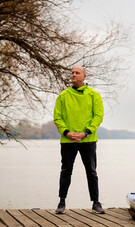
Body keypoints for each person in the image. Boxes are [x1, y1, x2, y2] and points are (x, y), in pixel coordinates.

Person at [53, 66, 105, 214]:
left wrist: (85, 133)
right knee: (66, 171)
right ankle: (61, 202)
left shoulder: (93, 95)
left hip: (88, 140)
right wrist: (67, 133)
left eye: (77, 73)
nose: (73, 75)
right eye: (72, 73)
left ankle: (96, 202)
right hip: (68, 140)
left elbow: (98, 117)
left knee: (91, 172)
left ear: (84, 76)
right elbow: (57, 117)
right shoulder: (63, 96)